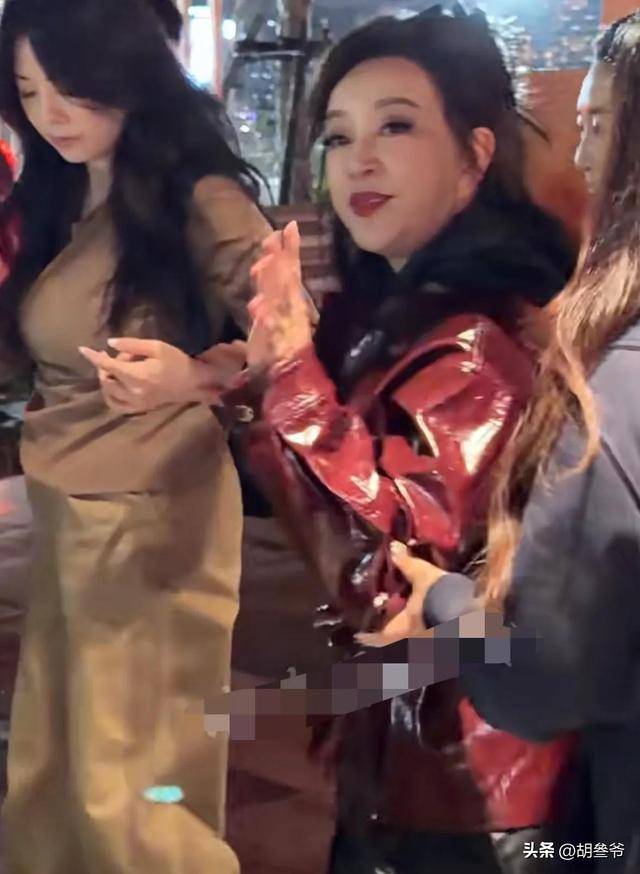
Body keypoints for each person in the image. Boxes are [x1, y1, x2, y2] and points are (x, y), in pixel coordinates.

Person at [92, 7, 579, 873]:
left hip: (465, 793)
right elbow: (344, 441)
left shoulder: (474, 349)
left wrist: (285, 369)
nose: (359, 160)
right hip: (412, 758)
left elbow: (388, 581)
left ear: (474, 156)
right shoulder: (397, 311)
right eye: (339, 136)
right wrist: (224, 379)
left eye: (397, 126)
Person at [355, 12, 640, 874]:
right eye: (335, 133)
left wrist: (446, 601)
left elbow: (542, 672)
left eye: (601, 126)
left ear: (476, 153)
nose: (581, 158)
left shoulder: (579, 374)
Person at [0, 0, 271, 871]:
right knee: (57, 760)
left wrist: (193, 376)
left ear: (122, 69)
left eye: (70, 85)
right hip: (70, 505)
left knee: (134, 780)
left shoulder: (197, 196)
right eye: (29, 92)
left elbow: (290, 339)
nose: (51, 113)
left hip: (153, 509)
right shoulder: (64, 192)